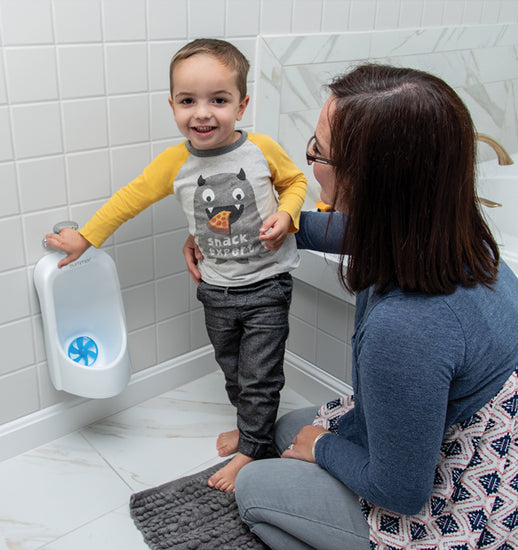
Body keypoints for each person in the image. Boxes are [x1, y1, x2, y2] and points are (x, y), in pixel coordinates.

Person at [183, 64, 518, 549]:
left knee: (256, 489)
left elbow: (402, 491)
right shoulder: (456, 236)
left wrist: (323, 447)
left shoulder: (407, 327)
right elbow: (335, 230)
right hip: (465, 434)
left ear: (370, 180)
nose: (310, 161)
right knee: (286, 431)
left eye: (317, 151)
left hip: (461, 494)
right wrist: (233, 232)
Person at [44, 38, 307, 492]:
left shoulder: (261, 149)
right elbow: (129, 199)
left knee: (261, 374)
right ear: (172, 106)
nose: (202, 113)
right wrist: (86, 238)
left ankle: (253, 448)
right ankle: (251, 427)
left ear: (242, 105)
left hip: (267, 286)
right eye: (188, 101)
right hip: (216, 289)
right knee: (233, 369)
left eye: (218, 100)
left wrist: (288, 214)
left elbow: (296, 181)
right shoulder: (174, 163)